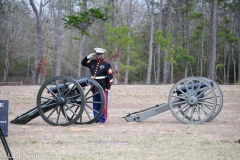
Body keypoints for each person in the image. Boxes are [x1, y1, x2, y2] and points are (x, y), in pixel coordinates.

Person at [81, 48, 113, 123]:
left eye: (99, 54)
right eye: (97, 54)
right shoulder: (92, 62)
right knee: (95, 103)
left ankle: (102, 119)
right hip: (94, 86)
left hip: (102, 86)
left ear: (102, 55)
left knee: (102, 103)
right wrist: (88, 57)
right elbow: (83, 63)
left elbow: (110, 76)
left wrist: (108, 86)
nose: (97, 56)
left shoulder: (106, 64)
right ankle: (96, 118)